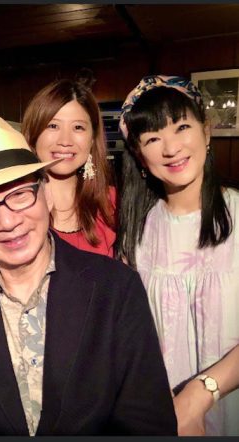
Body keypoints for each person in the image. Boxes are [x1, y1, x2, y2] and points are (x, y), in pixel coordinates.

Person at [0, 114, 177, 436]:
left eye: (19, 194)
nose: (7, 222)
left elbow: (150, 424)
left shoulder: (116, 289)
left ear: (46, 194)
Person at [116, 75, 239, 436]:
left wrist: (202, 392)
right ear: (139, 156)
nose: (170, 148)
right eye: (152, 138)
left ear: (206, 132)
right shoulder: (135, 235)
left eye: (182, 127)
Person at [21, 71, 116, 256]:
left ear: (92, 139)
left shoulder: (112, 204)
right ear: (34, 135)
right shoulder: (13, 206)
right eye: (53, 126)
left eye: (78, 127)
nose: (65, 141)